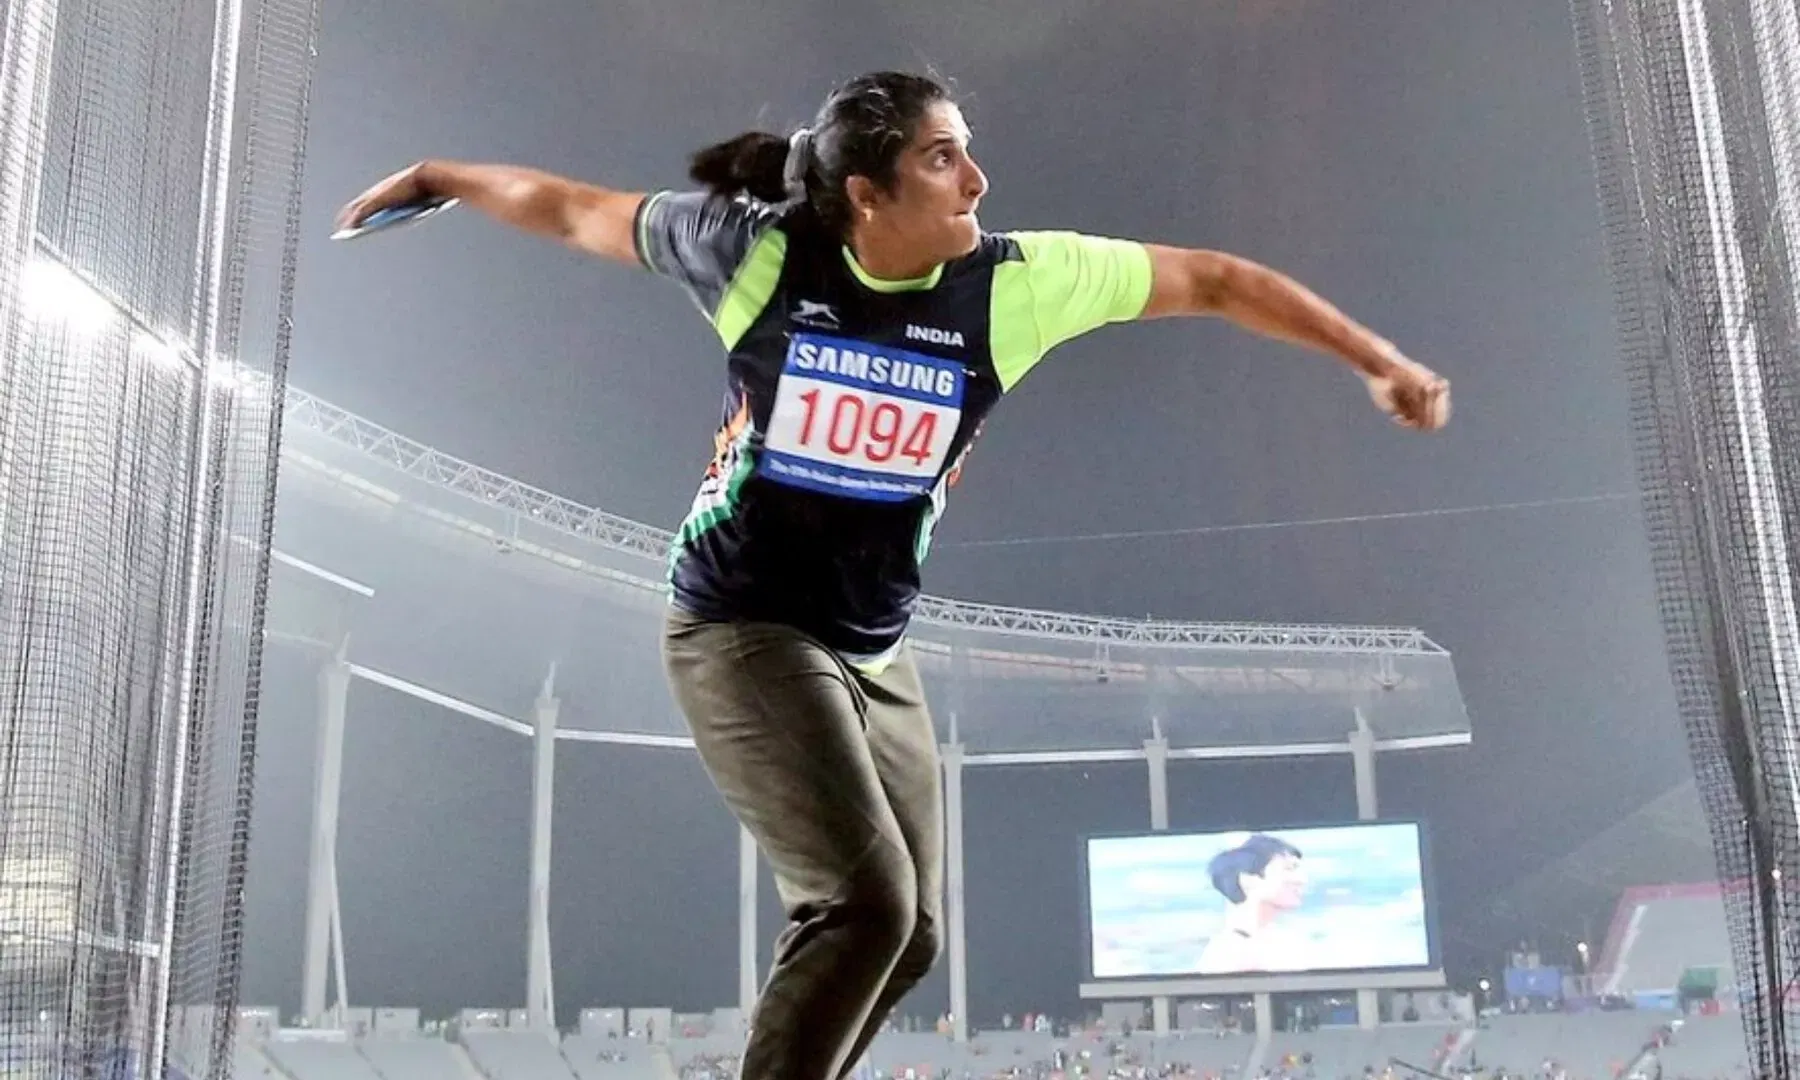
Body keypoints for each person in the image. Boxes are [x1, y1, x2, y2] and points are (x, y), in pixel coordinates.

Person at [334, 70, 1450, 1080]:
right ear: (867, 194)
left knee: (908, 937)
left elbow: (1211, 279)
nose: (978, 178)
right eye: (942, 158)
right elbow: (574, 208)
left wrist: (1379, 361)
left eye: (966, 149)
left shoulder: (1015, 285)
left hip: (873, 651)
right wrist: (443, 176)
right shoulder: (756, 254)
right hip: (742, 627)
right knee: (864, 907)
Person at [1196, 834, 1309, 974]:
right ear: (1248, 880)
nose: (1301, 880)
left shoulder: (1284, 941)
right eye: (1289, 869)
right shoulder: (1229, 952)